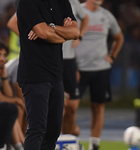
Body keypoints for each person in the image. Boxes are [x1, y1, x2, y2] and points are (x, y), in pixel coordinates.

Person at [17, 0, 80, 149]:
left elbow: (75, 33)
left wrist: (51, 27)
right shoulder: (27, 2)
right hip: (35, 74)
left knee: (53, 131)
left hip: (56, 74)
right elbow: (43, 33)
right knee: (37, 129)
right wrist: (63, 34)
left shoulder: (62, 2)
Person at [74, 0, 124, 150]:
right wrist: (71, 64)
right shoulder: (77, 11)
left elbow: (119, 37)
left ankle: (94, 143)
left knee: (98, 106)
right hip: (78, 68)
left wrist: (112, 56)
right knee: (69, 107)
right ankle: (69, 138)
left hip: (100, 69)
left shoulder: (106, 15)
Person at [0, 41, 25, 150]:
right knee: (12, 109)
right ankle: (20, 145)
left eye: (4, 56)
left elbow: (8, 95)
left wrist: (4, 76)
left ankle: (17, 144)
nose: (2, 59)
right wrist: (16, 100)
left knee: (18, 108)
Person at [62, 0, 89, 136]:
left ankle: (67, 139)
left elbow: (85, 18)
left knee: (72, 106)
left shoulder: (73, 2)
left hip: (69, 61)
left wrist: (80, 36)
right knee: (57, 105)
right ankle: (55, 139)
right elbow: (13, 22)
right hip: (51, 60)